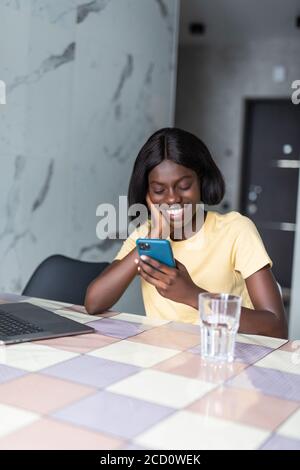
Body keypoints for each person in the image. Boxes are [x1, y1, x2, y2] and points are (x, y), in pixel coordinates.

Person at [85, 128, 288, 338]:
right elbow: (94, 302)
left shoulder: (236, 230)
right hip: (162, 362)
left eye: (184, 186)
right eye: (159, 190)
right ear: (146, 193)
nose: (172, 199)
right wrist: (152, 239)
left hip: (223, 358)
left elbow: (276, 327)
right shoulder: (143, 236)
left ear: (201, 180)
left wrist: (193, 295)